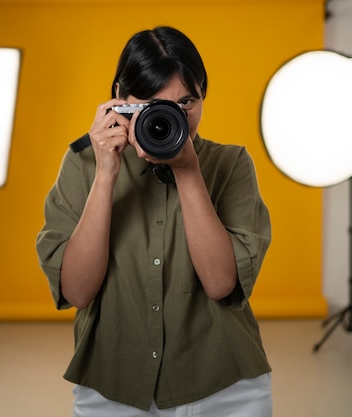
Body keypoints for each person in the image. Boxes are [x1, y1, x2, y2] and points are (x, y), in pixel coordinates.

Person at [36, 26, 272, 417]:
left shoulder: (230, 164)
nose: (171, 119)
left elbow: (220, 283)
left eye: (186, 103)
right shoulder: (83, 164)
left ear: (202, 97)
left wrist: (188, 171)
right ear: (119, 99)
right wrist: (106, 174)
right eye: (152, 105)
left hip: (224, 388)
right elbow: (77, 291)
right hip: (113, 386)